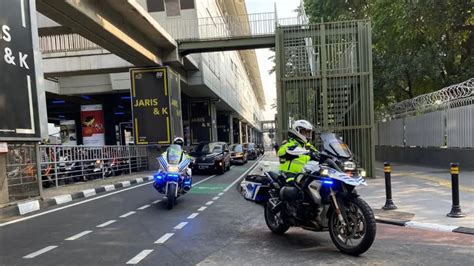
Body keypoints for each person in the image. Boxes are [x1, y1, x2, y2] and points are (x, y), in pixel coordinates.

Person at [277, 120, 318, 184]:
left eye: (309, 132)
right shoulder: (290, 143)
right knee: (294, 190)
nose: (308, 134)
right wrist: (292, 151)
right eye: (305, 132)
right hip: (289, 173)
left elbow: (317, 153)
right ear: (297, 131)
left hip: (303, 175)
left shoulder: (308, 146)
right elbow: (281, 152)